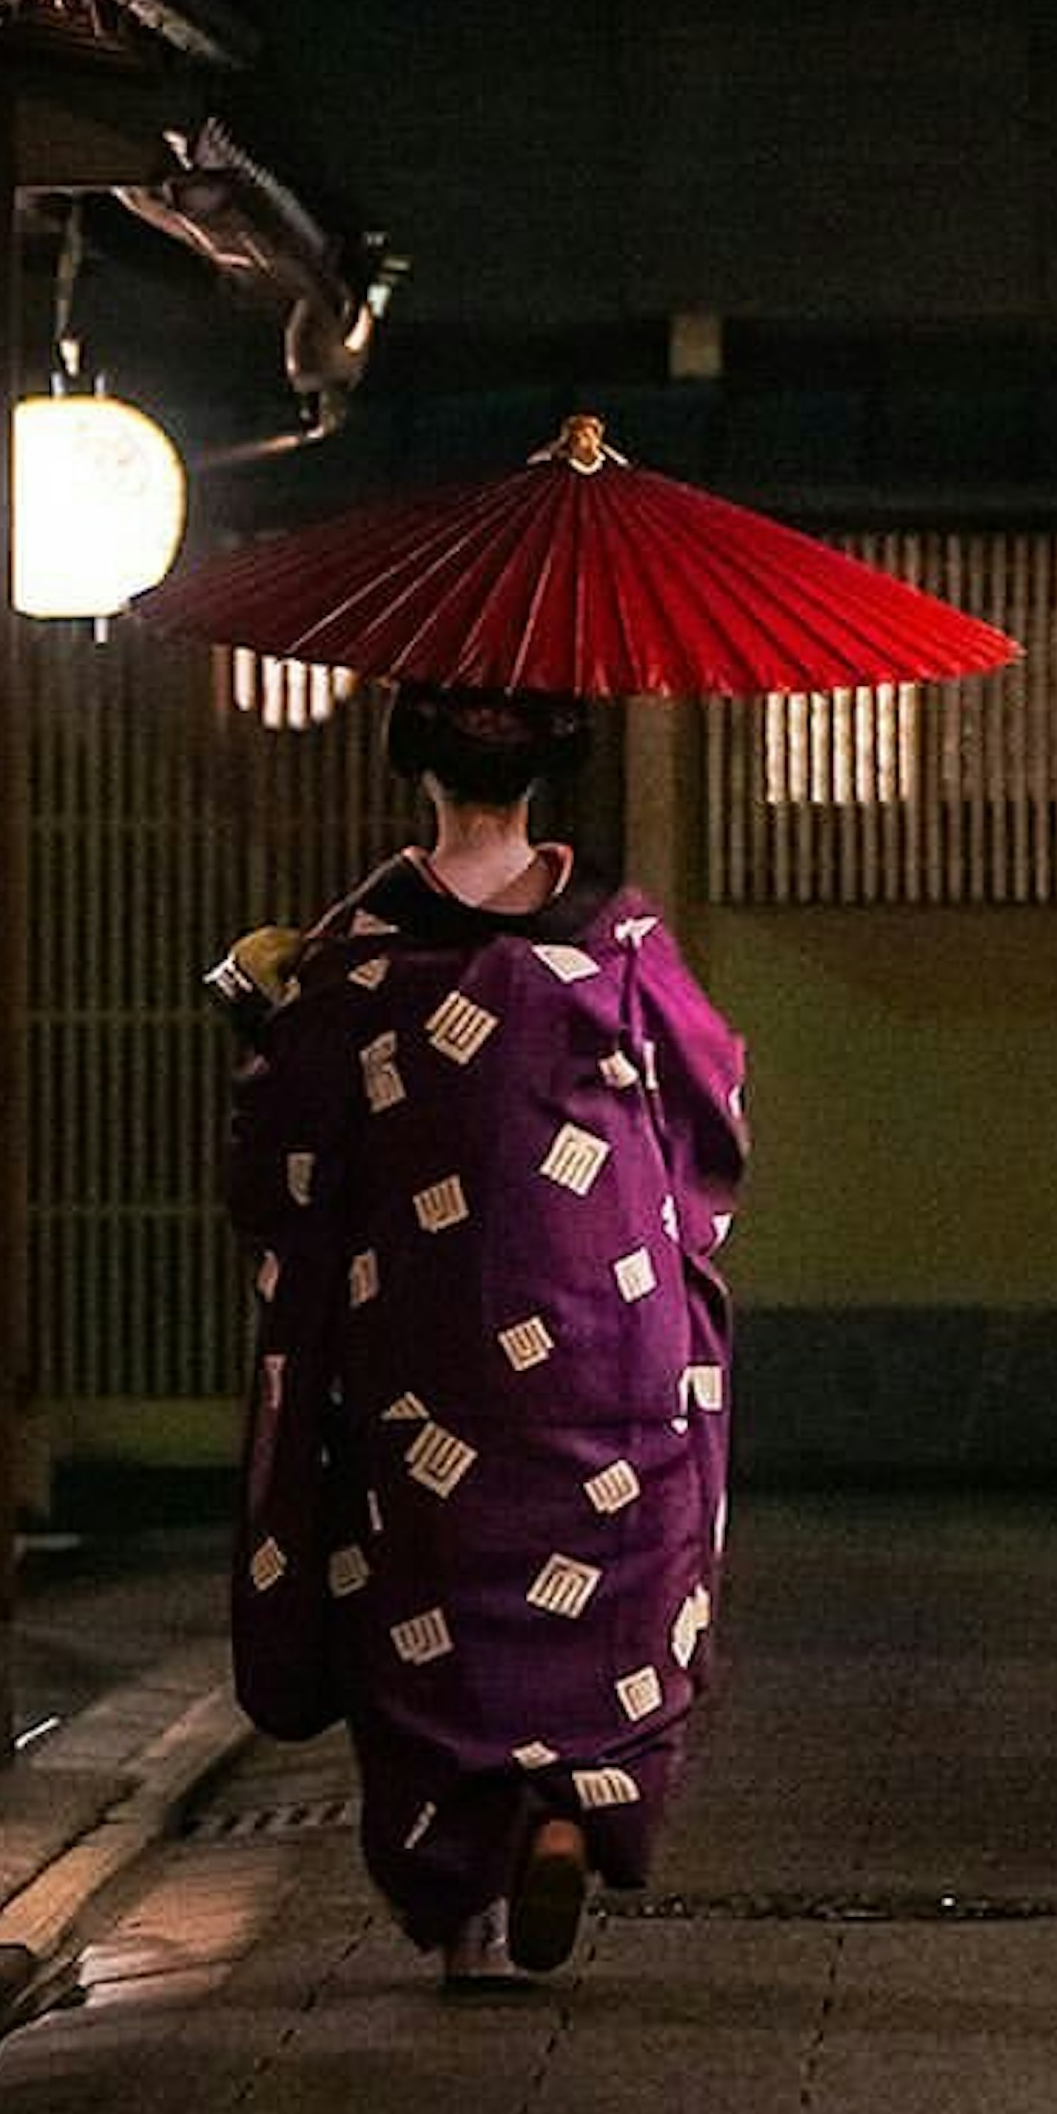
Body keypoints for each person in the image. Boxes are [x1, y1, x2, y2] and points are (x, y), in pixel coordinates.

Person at [216, 681, 747, 1986]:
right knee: (612, 1573)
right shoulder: (618, 947)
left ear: (418, 773)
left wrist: (260, 1022)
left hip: (423, 1349)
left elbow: (285, 1158)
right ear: (548, 781)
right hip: (601, 1340)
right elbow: (714, 1112)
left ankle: (460, 1909)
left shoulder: (360, 956)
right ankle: (571, 1803)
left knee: (423, 1603)